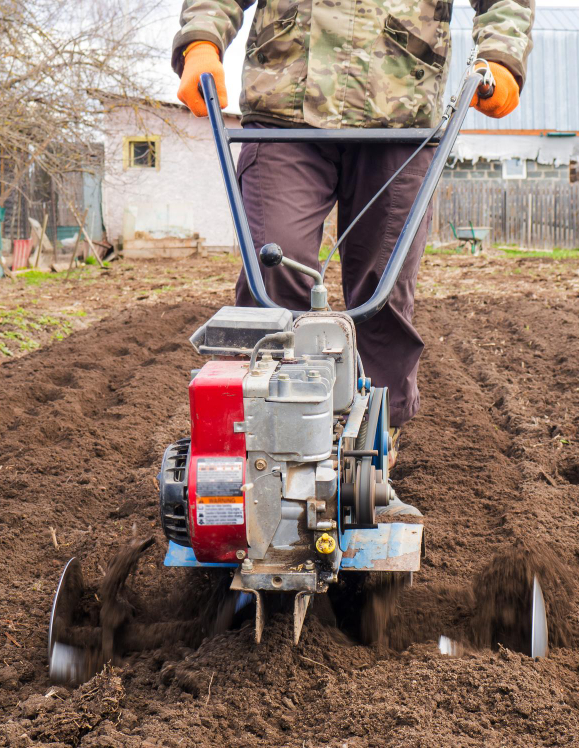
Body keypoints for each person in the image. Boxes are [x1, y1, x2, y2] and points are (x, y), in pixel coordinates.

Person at [173, 1, 534, 512]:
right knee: (272, 278)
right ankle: (263, 464)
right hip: (283, 108)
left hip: (399, 112)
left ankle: (370, 468)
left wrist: (501, 54)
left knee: (380, 293)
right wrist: (202, 38)